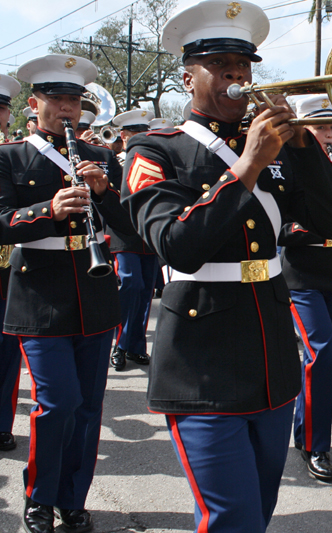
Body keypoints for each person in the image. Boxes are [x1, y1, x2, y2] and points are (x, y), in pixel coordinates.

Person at [120, 2, 332, 531]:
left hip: (268, 351)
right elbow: (177, 244)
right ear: (188, 77)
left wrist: (301, 147)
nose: (236, 75)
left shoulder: (272, 148)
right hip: (200, 357)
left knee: (261, 506)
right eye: (220, 64)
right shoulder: (154, 149)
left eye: (244, 66)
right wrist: (247, 166)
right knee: (232, 515)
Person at [0, 54, 132, 532]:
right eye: (57, 99)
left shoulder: (98, 156)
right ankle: (40, 497)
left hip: (94, 293)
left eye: (74, 100)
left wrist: (103, 194)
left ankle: (73, 499)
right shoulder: (10, 156)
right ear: (34, 103)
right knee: (57, 403)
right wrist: (46, 210)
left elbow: (129, 230)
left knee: (89, 406)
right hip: (40, 294)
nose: (67, 108)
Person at [280, 94, 332, 482]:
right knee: (322, 355)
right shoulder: (285, 162)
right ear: (303, 128)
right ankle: (316, 444)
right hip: (302, 271)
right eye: (324, 126)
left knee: (324, 358)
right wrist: (317, 224)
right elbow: (272, 223)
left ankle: (303, 429)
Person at [107, 109, 158, 371]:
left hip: (147, 234)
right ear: (124, 137)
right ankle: (120, 343)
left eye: (144, 132)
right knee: (130, 284)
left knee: (146, 290)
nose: (142, 137)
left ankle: (136, 346)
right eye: (136, 133)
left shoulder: (156, 162)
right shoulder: (116, 163)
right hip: (123, 235)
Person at [0, 74, 22, 454]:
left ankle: (2, 422)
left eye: (1, 107)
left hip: (5, 261)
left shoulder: (12, 153)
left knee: (5, 347)